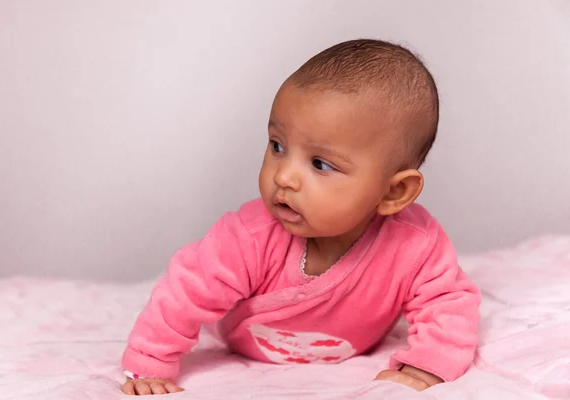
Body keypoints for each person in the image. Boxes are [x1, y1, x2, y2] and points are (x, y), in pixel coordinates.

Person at [120, 39, 481, 395]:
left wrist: (425, 366)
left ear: (393, 193)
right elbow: (184, 294)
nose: (283, 177)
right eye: (278, 146)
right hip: (244, 346)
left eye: (320, 164)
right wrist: (150, 362)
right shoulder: (248, 236)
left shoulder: (414, 243)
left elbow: (448, 305)